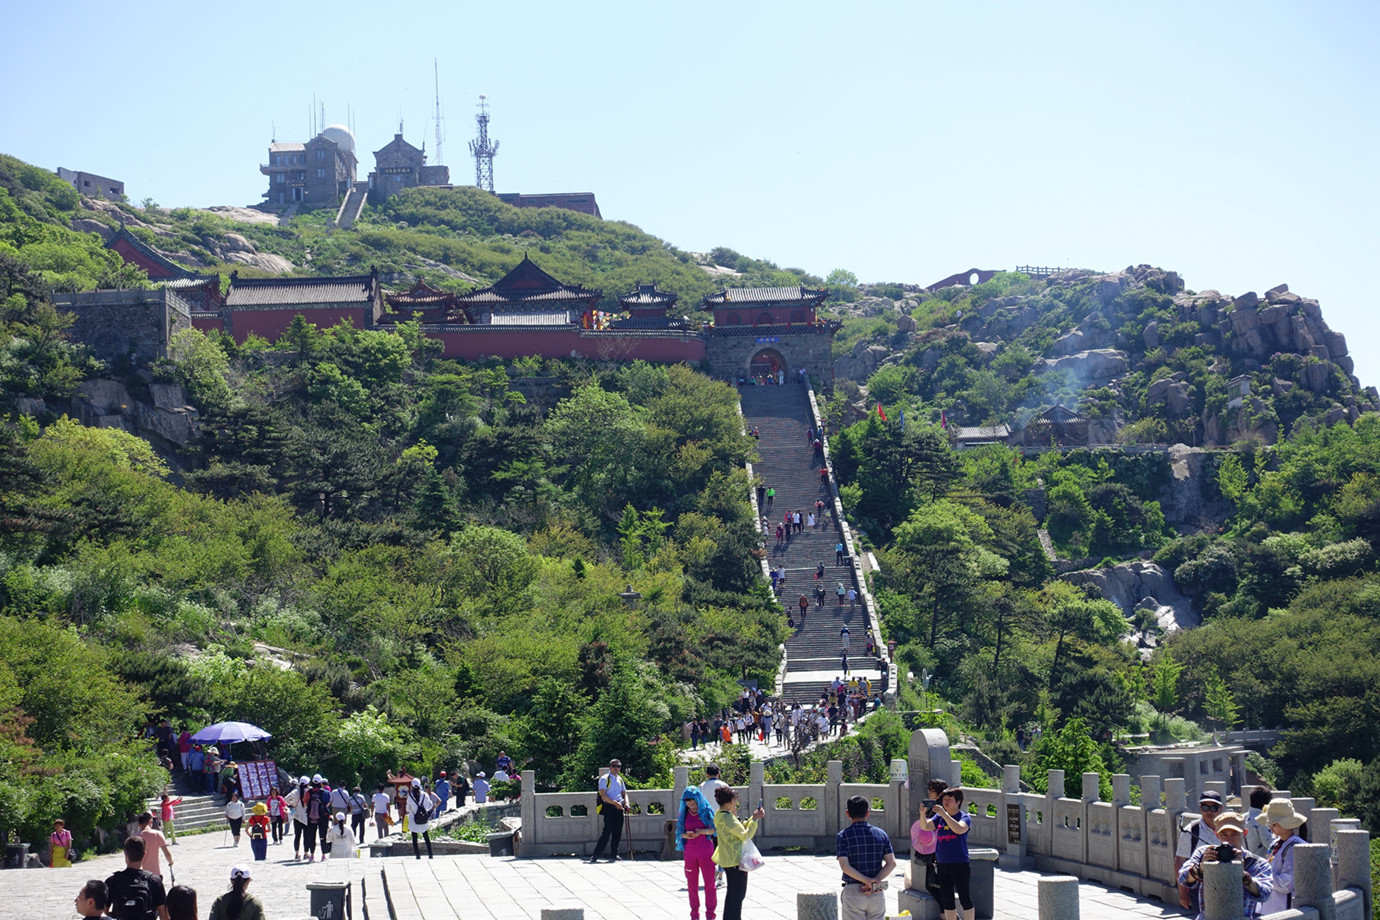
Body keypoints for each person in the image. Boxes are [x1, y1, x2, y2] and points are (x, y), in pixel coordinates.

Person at [1177, 811, 1272, 920]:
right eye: (1224, 834)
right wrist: (1202, 867)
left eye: (1234, 834)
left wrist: (1242, 875)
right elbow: (1182, 879)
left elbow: (1265, 894)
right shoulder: (1204, 853)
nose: (1229, 840)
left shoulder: (1256, 863)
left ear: (1244, 833)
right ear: (1216, 834)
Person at [837, 794, 897, 920]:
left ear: (847, 813)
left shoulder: (843, 836)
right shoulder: (881, 834)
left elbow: (845, 866)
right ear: (867, 813)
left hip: (853, 890)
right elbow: (891, 863)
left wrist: (866, 881)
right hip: (877, 890)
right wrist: (875, 881)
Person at [711, 786, 764, 920]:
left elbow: (738, 829)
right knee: (738, 895)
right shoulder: (727, 818)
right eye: (734, 801)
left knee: (733, 894)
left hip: (729, 859)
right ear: (728, 802)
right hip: (735, 859)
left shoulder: (720, 814)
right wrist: (755, 820)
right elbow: (746, 835)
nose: (736, 804)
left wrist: (753, 818)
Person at [1175, 790, 1225, 908]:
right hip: (1199, 887)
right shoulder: (1192, 830)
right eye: (1205, 807)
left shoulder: (1228, 829)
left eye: (1214, 807)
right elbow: (1179, 861)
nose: (1209, 811)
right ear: (1200, 808)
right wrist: (1182, 893)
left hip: (1225, 884)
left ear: (1220, 808)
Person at [677, 786, 718, 920]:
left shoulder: (706, 811)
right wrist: (685, 835)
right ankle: (694, 915)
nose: (692, 806)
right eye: (688, 804)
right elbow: (680, 832)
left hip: (706, 851)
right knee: (692, 885)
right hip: (690, 852)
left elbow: (713, 830)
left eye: (694, 803)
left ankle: (710, 915)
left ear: (699, 800)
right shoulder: (684, 813)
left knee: (709, 885)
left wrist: (702, 832)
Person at [933, 787, 973, 920]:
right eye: (944, 800)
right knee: (947, 900)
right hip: (942, 863)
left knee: (964, 897)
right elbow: (925, 826)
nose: (946, 802)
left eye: (950, 800)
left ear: (958, 801)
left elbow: (959, 829)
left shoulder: (964, 817)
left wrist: (945, 814)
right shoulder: (939, 817)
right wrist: (922, 814)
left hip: (959, 863)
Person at [1260, 799, 1306, 915]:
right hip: (1271, 905)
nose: (1270, 826)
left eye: (1273, 823)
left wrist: (1262, 875)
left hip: (1285, 909)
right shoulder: (1275, 843)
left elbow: (1286, 884)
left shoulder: (1296, 847)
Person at [105, 836, 167, 920]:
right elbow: (163, 915)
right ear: (144, 854)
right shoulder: (154, 881)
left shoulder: (112, 881)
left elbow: (104, 910)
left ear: (125, 854)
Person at [910, 780, 950, 907]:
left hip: (936, 851)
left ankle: (949, 914)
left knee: (934, 884)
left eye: (932, 791)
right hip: (934, 849)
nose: (929, 793)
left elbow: (930, 826)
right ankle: (946, 913)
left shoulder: (939, 809)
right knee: (935, 885)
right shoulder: (937, 807)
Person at [588, 759, 629, 863]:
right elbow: (603, 795)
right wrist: (616, 804)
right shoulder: (604, 779)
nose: (616, 768)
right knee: (607, 831)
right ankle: (595, 855)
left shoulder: (620, 779)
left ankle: (614, 854)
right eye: (614, 766)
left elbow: (624, 793)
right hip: (609, 807)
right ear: (610, 767)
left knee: (617, 832)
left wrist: (627, 803)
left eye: (618, 766)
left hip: (619, 807)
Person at [136, 812, 173, 880]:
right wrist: (170, 862)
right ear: (151, 822)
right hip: (155, 874)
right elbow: (166, 853)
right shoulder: (157, 834)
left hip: (140, 875)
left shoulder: (135, 836)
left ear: (139, 825)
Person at [406, 779, 435, 859]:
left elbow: (408, 809)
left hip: (414, 819)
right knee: (426, 837)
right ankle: (430, 854)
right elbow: (430, 805)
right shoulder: (425, 795)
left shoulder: (410, 796)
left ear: (412, 786)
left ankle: (418, 855)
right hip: (423, 818)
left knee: (414, 838)